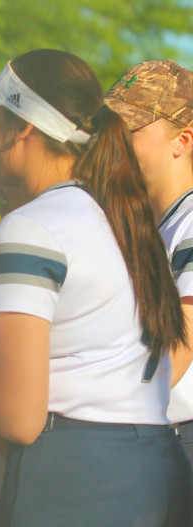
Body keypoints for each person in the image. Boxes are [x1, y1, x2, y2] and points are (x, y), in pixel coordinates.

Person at [0, 49, 193, 527]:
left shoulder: (41, 224)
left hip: (96, 465)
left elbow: (21, 416)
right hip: (156, 461)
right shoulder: (124, 217)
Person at [105, 60, 193, 458]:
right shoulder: (147, 226)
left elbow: (180, 347)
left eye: (132, 128)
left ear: (183, 140)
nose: (116, 142)